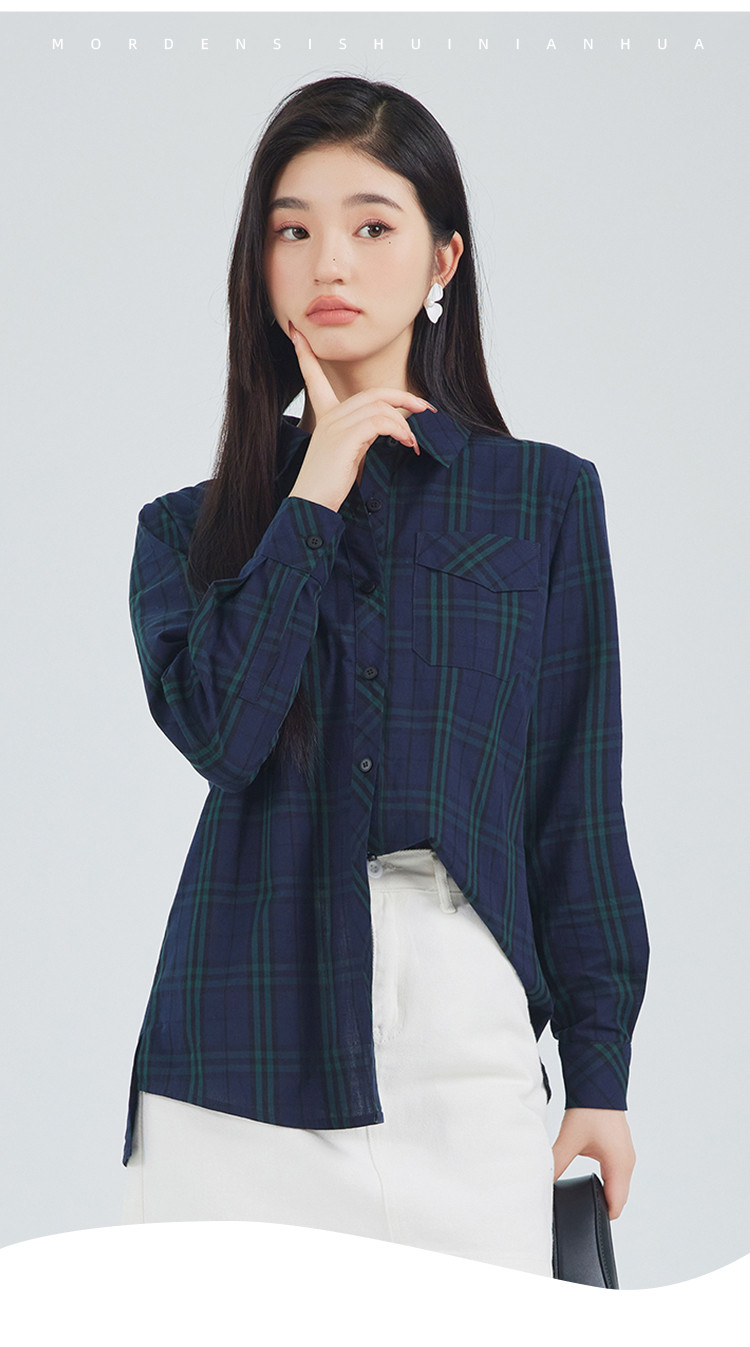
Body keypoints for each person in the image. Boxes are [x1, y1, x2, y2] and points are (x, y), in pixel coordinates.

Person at [121, 75, 650, 1277]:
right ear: (258, 267)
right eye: (292, 230)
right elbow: (224, 734)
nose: (329, 262)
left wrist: (601, 1071)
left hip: (464, 1037)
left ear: (441, 258)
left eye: (371, 225)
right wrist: (314, 491)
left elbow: (573, 804)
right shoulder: (186, 532)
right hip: (240, 1044)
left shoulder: (543, 502)